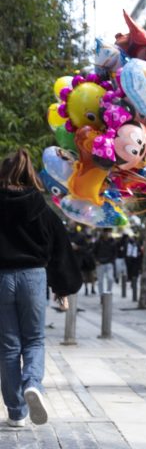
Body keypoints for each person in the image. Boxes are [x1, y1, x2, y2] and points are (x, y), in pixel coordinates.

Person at [0, 149, 82, 427]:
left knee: (9, 345)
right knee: (34, 339)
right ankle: (32, 383)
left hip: (1, 279)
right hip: (34, 277)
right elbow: (59, 247)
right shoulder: (41, 208)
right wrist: (62, 287)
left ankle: (16, 413)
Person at [93, 230, 116, 296]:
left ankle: (108, 294)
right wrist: (96, 260)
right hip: (100, 263)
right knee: (100, 281)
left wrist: (112, 261)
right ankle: (102, 296)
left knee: (110, 279)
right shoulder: (98, 242)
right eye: (105, 232)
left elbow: (115, 253)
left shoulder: (113, 242)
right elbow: (93, 252)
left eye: (108, 232)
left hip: (109, 263)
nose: (106, 234)